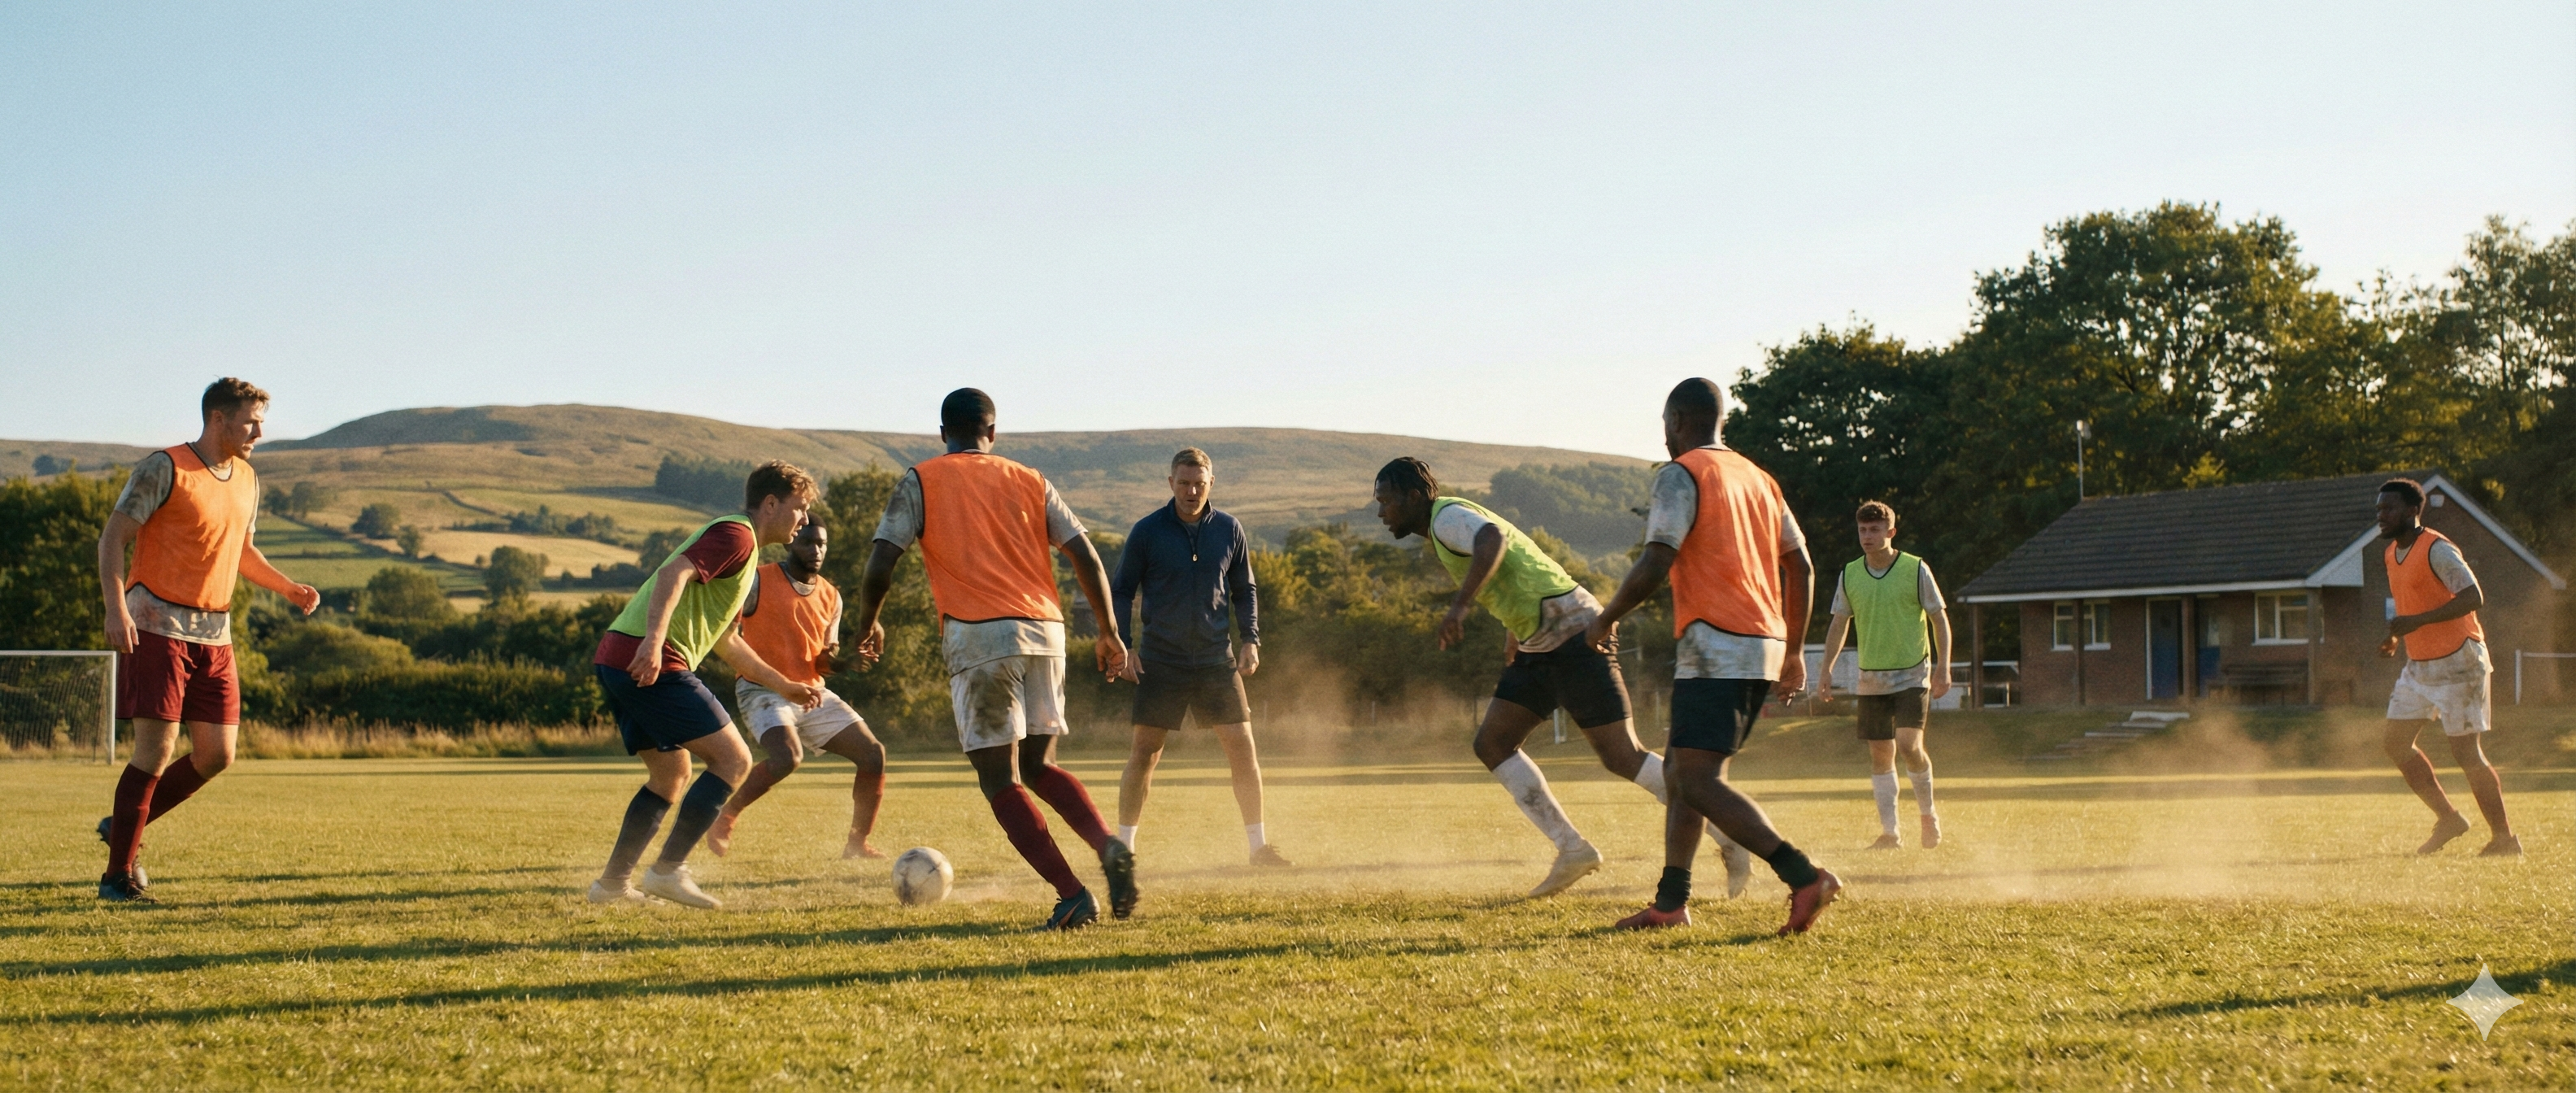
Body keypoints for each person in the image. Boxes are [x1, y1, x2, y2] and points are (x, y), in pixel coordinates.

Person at [1373, 455, 1750, 899]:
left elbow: (1492, 540)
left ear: (1414, 497)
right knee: (1493, 743)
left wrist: (1460, 607)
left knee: (1622, 755)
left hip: (1573, 633)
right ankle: (1573, 849)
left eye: (1385, 501)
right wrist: (1514, 633)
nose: (1380, 512)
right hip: (1540, 642)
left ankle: (1731, 837)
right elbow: (1519, 569)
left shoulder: (1445, 519)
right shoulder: (1446, 522)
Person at [850, 388, 1138, 930]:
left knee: (1000, 780)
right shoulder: (1030, 479)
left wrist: (868, 625)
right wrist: (1109, 633)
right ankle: (1106, 845)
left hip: (980, 636)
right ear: (993, 433)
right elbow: (1085, 554)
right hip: (1045, 631)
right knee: (1040, 765)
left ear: (943, 434)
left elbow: (880, 561)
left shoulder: (923, 478)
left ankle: (1072, 894)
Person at [1589, 377, 1843, 935]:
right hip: (1762, 642)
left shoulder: (1682, 474)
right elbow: (1800, 566)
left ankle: (1803, 876)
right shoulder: (1760, 479)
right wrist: (1795, 650)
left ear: (1677, 422)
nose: (1664, 438)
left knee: (1697, 780)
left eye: (1665, 427)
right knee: (1683, 773)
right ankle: (1671, 902)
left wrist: (1606, 617)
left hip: (1716, 641)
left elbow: (1657, 560)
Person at [93, 377, 321, 903]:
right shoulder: (164, 468)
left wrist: (286, 587)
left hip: (215, 635)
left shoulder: (247, 479)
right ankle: (117, 877)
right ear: (219, 419)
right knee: (157, 748)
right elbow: (112, 540)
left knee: (218, 754)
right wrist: (114, 608)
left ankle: (123, 826)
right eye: (251, 421)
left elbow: (241, 551)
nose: (259, 432)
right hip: (153, 624)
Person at [585, 461, 825, 910]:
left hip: (618, 656)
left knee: (670, 774)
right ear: (771, 504)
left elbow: (727, 641)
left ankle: (612, 886)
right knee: (734, 761)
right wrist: (654, 644)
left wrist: (784, 684)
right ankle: (667, 872)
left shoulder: (747, 555)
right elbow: (673, 573)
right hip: (650, 657)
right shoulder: (738, 536)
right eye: (800, 508)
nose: (805, 520)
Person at [1111, 447, 1289, 867]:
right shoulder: (1147, 531)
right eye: (1184, 483)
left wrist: (1251, 639)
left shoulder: (1229, 529)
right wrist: (1124, 644)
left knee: (1243, 749)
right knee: (1145, 753)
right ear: (1170, 483)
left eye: (1199, 483)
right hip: (1160, 660)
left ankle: (1259, 849)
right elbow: (1121, 590)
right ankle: (1124, 850)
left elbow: (1246, 590)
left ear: (1211, 484)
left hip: (1215, 659)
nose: (1192, 491)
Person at [703, 520, 890, 860]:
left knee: (873, 754)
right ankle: (725, 816)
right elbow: (724, 630)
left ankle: (857, 844)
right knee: (787, 757)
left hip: (811, 692)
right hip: (762, 691)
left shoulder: (832, 597)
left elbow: (821, 662)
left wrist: (847, 662)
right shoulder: (757, 580)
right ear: (790, 545)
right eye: (808, 543)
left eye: (822, 544)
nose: (816, 551)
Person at [2374, 477, 2519, 857]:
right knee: (2395, 743)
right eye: (2379, 509)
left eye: (2388, 509)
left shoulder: (2437, 549)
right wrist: (2396, 636)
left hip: (2461, 662)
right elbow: (2411, 605)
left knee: (2466, 753)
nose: (2381, 516)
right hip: (2419, 666)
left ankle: (2505, 839)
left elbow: (2474, 597)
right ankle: (2449, 818)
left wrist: (2417, 621)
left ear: (2411, 511)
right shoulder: (2391, 553)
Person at [1808, 501, 1950, 850]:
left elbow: (1939, 619)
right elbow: (1839, 622)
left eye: (1875, 530)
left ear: (1891, 532)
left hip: (1912, 674)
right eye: (1862, 530)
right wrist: (1825, 669)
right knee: (1880, 753)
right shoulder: (1851, 573)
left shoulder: (1915, 569)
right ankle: (1891, 834)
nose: (1867, 536)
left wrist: (1944, 666)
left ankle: (1928, 814)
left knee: (1908, 745)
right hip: (1871, 679)